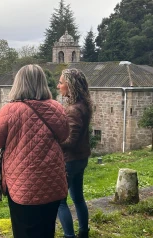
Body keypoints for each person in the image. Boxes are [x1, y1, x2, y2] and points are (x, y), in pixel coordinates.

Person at [0, 64, 70, 238]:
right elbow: (64, 135)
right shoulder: (56, 107)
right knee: (47, 230)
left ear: (18, 84)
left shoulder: (10, 110)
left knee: (24, 231)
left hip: (22, 185)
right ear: (42, 83)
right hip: (53, 181)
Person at [56, 68, 93, 238]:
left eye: (61, 82)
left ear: (70, 86)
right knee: (78, 198)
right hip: (81, 158)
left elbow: (70, 140)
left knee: (60, 201)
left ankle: (69, 235)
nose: (58, 86)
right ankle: (83, 232)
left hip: (70, 161)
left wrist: (53, 140)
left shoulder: (73, 110)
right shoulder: (84, 105)